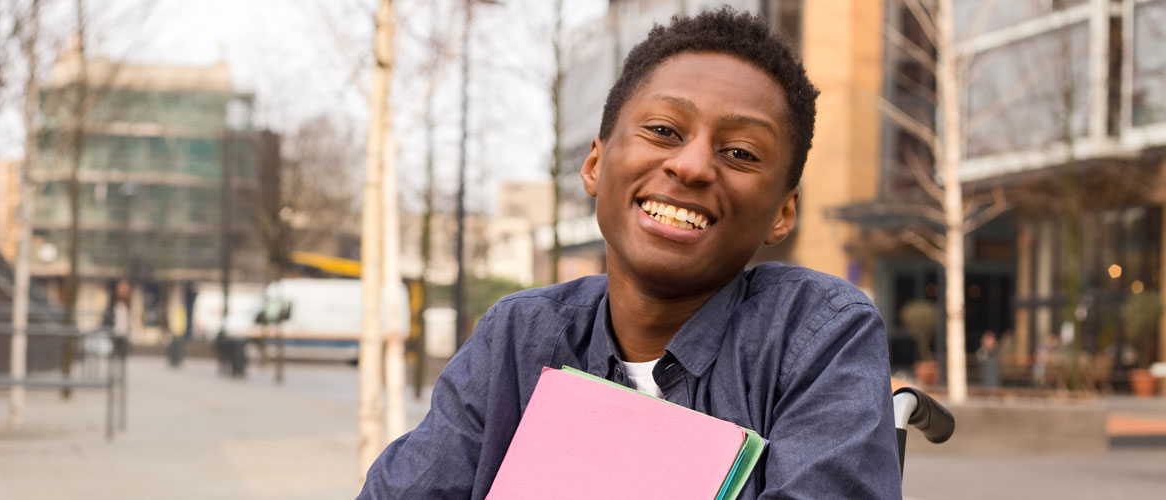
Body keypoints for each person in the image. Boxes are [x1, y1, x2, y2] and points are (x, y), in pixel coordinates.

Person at [358, 8, 900, 499]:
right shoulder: (518, 336)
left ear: (783, 212)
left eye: (739, 152)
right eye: (664, 130)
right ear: (595, 164)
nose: (691, 166)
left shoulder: (815, 337)